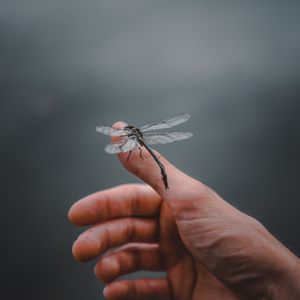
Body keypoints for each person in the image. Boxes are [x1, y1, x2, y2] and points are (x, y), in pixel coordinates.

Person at [68, 122, 300, 300]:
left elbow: (120, 145)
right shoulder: (139, 136)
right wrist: (279, 280)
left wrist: (277, 280)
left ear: (131, 134)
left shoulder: (129, 140)